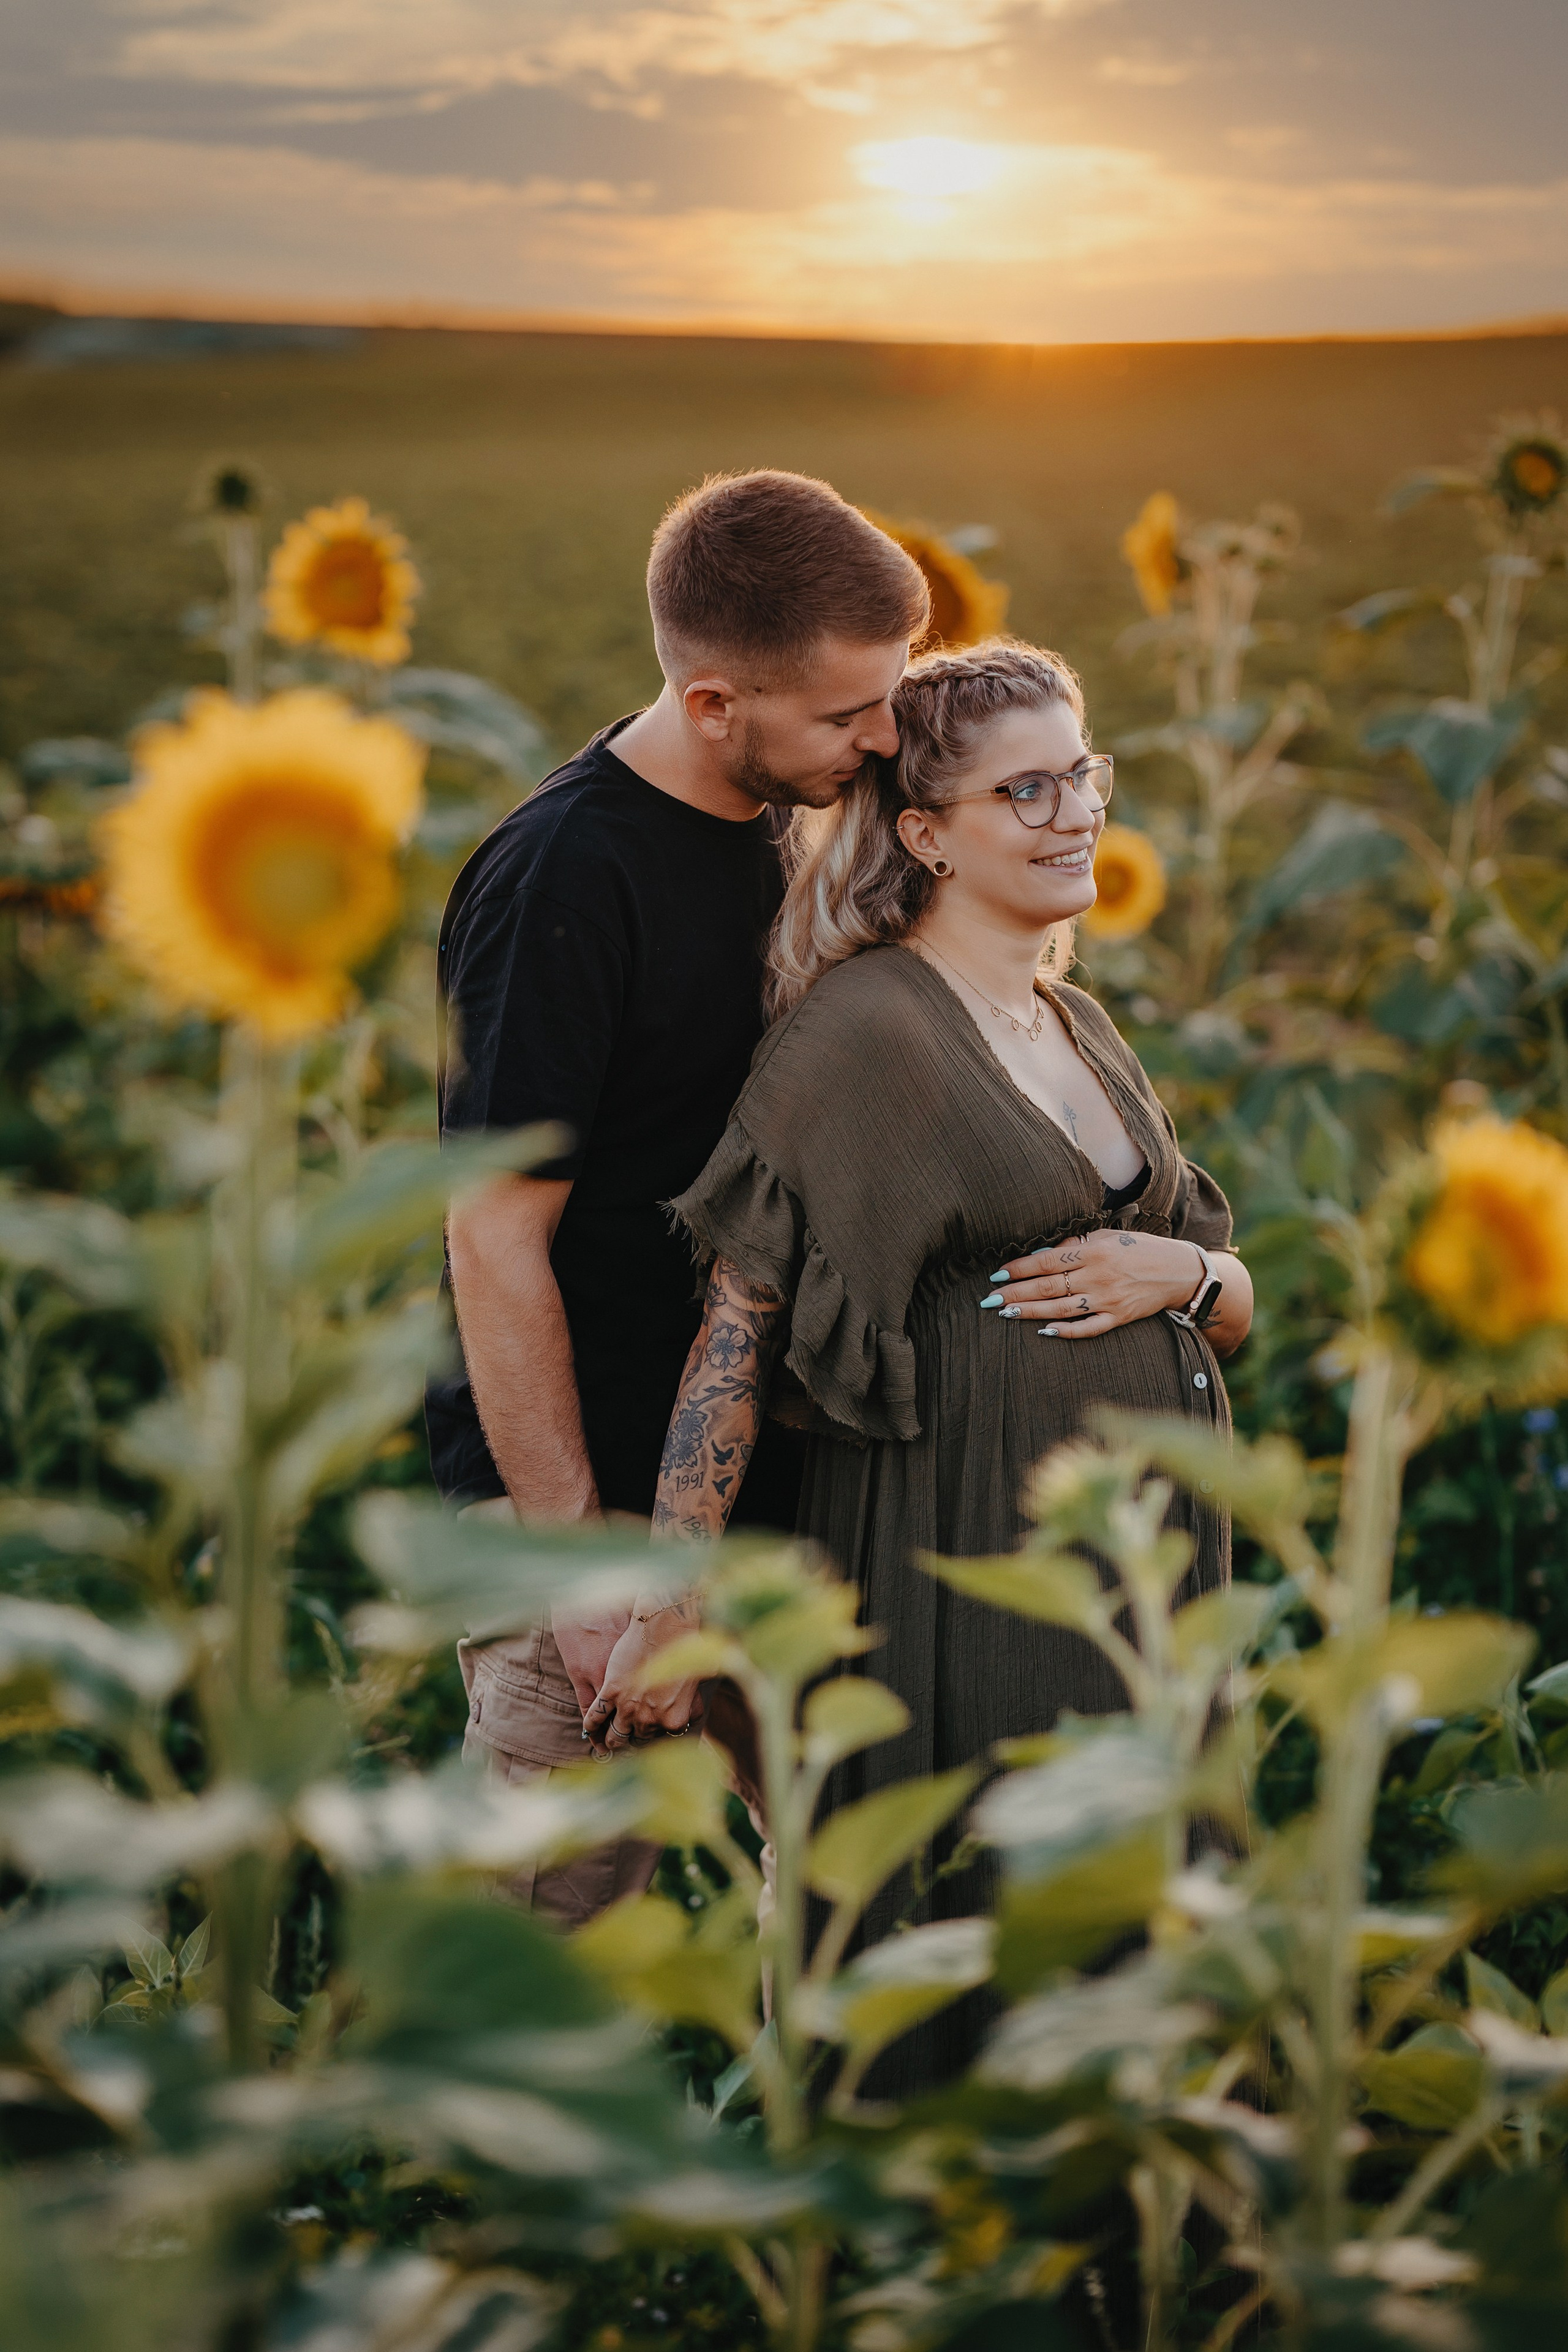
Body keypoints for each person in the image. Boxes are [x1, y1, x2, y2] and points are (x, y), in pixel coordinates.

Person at [588, 639, 1253, 2082]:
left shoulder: (1078, 1025)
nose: (1076, 812)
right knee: (979, 1928)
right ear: (927, 835)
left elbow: (1222, 1301)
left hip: (1134, 1581)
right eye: (1027, 790)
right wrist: (666, 1605)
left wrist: (1195, 1274)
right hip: (962, 1557)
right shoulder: (865, 1026)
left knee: (1137, 1942)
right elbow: (735, 1331)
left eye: (1081, 773)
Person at [426, 469, 930, 1922]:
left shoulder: (789, 816)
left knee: (846, 1922)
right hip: (577, 1501)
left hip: (758, 1497)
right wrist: (584, 1572)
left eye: (889, 699)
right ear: (713, 703)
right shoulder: (564, 877)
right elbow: (493, 1235)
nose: (880, 741)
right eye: (844, 715)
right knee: (538, 1948)